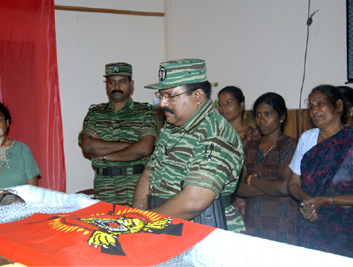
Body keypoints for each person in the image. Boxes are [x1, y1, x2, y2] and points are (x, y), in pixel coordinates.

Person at [132, 59, 244, 231]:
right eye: (161, 95)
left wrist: (144, 223)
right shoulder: (172, 126)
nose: (163, 103)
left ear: (198, 95)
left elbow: (194, 201)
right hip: (161, 224)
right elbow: (149, 174)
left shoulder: (215, 133)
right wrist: (138, 215)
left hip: (203, 232)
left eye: (170, 96)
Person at [287, 85, 353, 261]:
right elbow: (293, 183)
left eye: (320, 104)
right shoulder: (307, 138)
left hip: (349, 233)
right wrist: (309, 202)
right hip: (312, 226)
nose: (314, 111)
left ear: (338, 106)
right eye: (311, 107)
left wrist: (325, 201)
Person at [79, 62, 157, 207]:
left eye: (122, 82)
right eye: (111, 82)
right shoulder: (95, 113)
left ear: (131, 84)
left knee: (138, 227)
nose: (116, 87)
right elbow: (88, 146)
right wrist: (132, 147)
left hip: (137, 184)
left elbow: (144, 149)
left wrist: (104, 156)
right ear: (106, 85)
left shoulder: (145, 111)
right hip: (104, 188)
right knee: (104, 227)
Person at [236, 92, 298, 245]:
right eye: (258, 114)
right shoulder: (250, 146)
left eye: (267, 114)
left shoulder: (291, 145)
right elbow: (239, 189)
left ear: (281, 116)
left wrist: (251, 179)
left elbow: (284, 187)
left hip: (283, 220)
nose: (261, 120)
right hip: (253, 220)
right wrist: (273, 186)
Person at [217, 86, 261, 232]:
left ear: (241, 105)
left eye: (229, 102)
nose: (223, 108)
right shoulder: (215, 136)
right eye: (220, 104)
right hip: (219, 196)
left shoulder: (255, 136)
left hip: (246, 197)